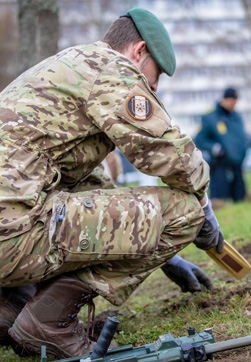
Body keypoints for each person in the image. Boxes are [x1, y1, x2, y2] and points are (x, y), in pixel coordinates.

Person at [0, 8, 224, 359]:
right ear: (139, 52)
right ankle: (47, 322)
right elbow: (169, 153)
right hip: (12, 234)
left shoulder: (68, 68)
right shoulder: (111, 69)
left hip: (9, 231)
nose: (154, 87)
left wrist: (158, 253)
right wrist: (204, 209)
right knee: (184, 211)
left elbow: (89, 187)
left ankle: (10, 310)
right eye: (156, 75)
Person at [195, 88, 247, 204]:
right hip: (220, 163)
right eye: (232, 101)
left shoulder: (236, 117)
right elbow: (200, 139)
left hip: (237, 163)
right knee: (220, 199)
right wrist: (214, 147)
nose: (234, 105)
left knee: (240, 197)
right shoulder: (210, 117)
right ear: (224, 100)